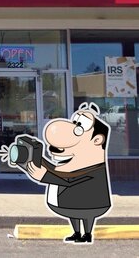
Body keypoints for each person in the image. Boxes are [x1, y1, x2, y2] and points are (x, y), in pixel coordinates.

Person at [25, 102, 112, 243]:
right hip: (70, 203)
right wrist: (35, 158)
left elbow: (69, 181)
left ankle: (87, 234)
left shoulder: (93, 168)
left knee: (84, 213)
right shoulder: (69, 166)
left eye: (80, 128)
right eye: (74, 123)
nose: (73, 128)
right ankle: (77, 233)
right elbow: (57, 171)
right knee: (74, 212)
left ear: (97, 140)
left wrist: (44, 177)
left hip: (91, 203)